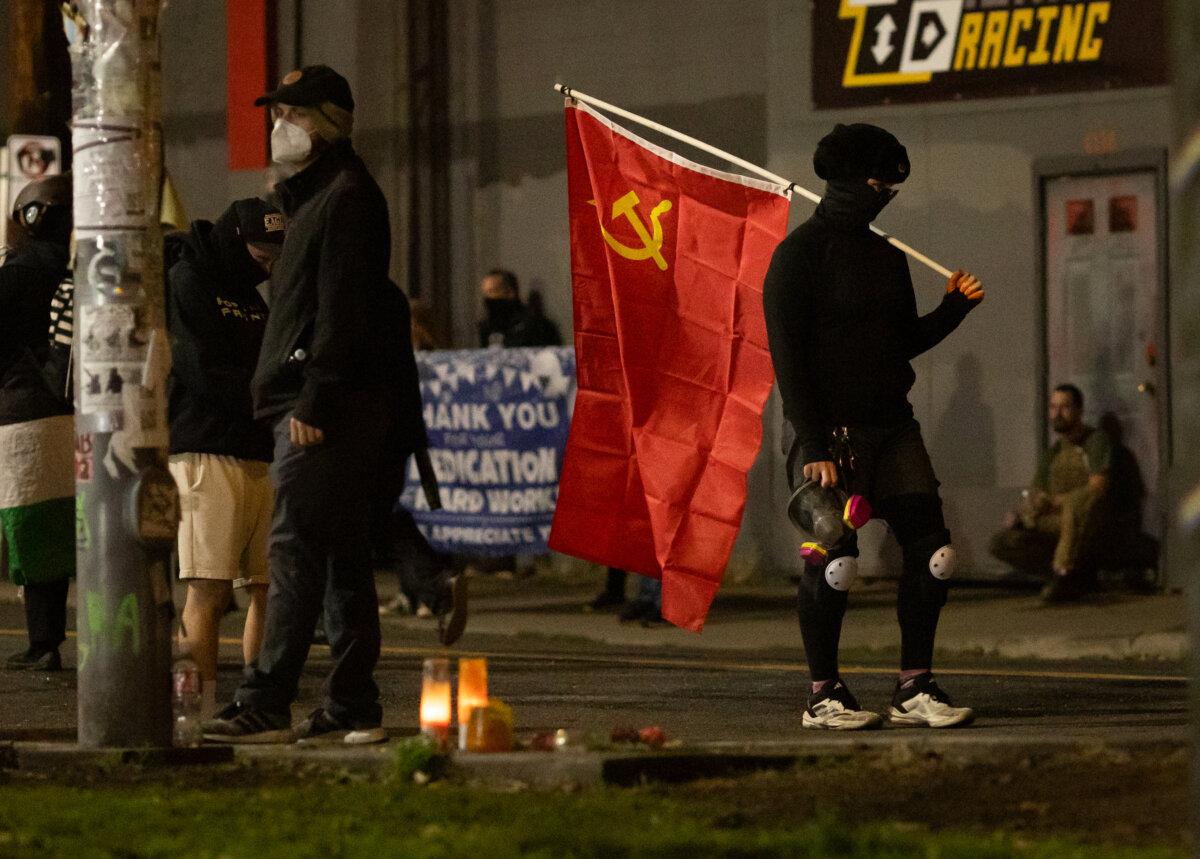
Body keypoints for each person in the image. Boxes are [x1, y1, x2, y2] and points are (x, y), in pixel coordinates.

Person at [204, 65, 418, 744]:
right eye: (278, 113)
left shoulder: (346, 198)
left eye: (293, 115)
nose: (279, 126)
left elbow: (341, 310)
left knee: (293, 547)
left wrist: (316, 395)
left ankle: (266, 695)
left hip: (322, 404)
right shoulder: (317, 198)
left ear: (326, 122)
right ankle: (352, 699)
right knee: (343, 554)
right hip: (318, 400)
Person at [763, 123, 984, 731]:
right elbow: (789, 359)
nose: (887, 193)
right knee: (835, 560)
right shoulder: (798, 257)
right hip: (828, 435)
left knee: (934, 552)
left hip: (893, 424)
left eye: (893, 184)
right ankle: (823, 695)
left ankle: (915, 686)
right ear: (850, 181)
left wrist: (953, 308)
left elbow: (901, 342)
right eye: (879, 182)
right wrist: (812, 442)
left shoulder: (887, 257)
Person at [166, 197, 285, 715]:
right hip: (204, 450)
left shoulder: (249, 296)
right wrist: (264, 400)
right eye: (261, 259)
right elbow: (199, 368)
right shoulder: (188, 280)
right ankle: (198, 708)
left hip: (255, 450)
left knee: (268, 586)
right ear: (236, 243)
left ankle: (256, 704)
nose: (267, 271)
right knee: (207, 589)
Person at [0, 174, 75, 671]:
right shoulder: (77, 271)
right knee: (52, 523)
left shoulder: (19, 272)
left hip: (23, 407)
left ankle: (43, 640)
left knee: (27, 524)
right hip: (69, 405)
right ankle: (43, 639)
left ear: (30, 216)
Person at [989, 384, 1119, 603]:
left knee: (1077, 503)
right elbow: (1037, 493)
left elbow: (1098, 487)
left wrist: (1057, 501)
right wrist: (1022, 514)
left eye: (1065, 407)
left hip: (1089, 524)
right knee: (1004, 541)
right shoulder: (1053, 453)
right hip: (1057, 524)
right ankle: (1068, 579)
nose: (1057, 413)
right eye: (1053, 407)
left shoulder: (1095, 442)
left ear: (1079, 411)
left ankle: (1066, 572)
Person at [478, 269, 561, 348]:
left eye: (493, 291)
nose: (488, 297)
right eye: (486, 292)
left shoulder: (536, 323)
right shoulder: (487, 327)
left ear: (510, 292)